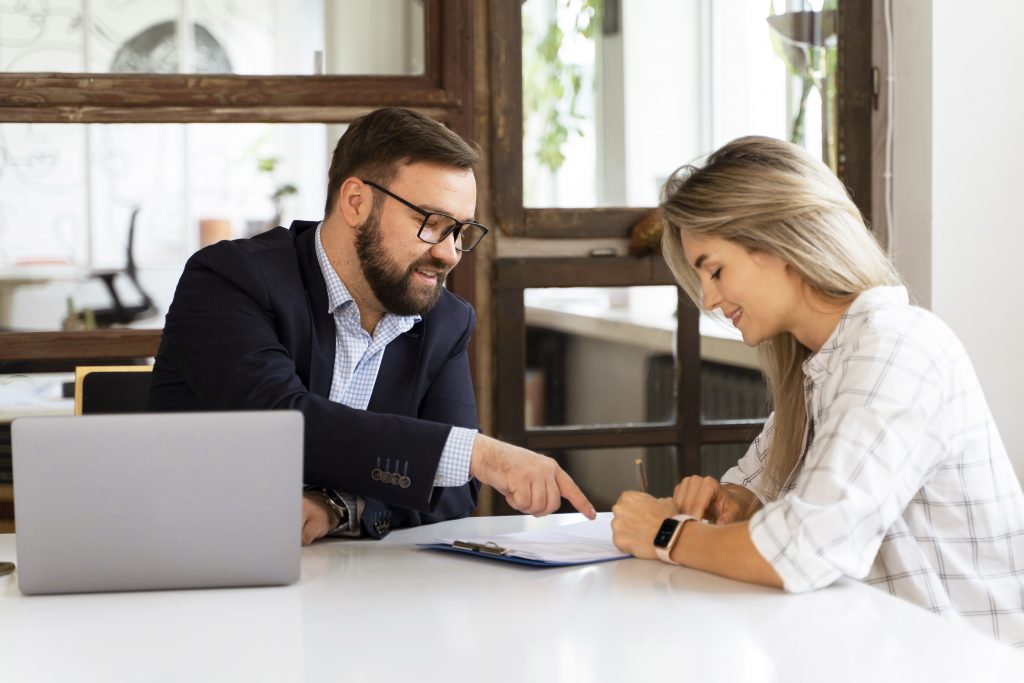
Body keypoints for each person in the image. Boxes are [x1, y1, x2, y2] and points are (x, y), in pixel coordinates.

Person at [611, 136, 1024, 646]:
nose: (711, 300)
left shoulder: (895, 351)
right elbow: (755, 490)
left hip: (962, 663)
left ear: (780, 243)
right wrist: (731, 502)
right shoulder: (821, 368)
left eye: (715, 271)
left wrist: (667, 534)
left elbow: (804, 548)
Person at [148, 107, 595, 544]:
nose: (450, 253)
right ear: (356, 202)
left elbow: (457, 490)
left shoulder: (445, 320)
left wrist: (339, 507)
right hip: (196, 560)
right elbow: (280, 422)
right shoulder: (231, 279)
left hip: (356, 588)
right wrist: (476, 452)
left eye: (460, 231)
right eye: (431, 223)